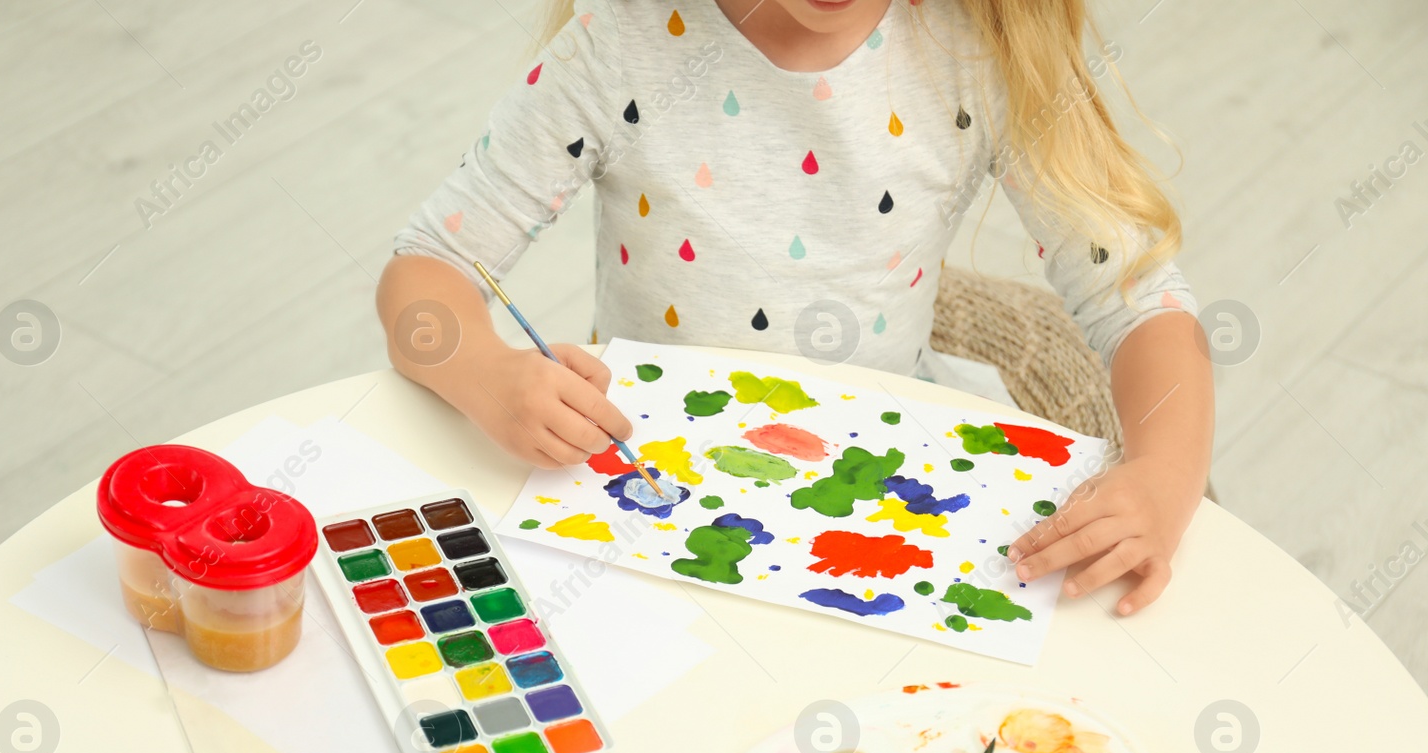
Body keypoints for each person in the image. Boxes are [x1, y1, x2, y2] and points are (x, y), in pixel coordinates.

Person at [378, 0, 1212, 615]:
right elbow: (428, 268)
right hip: (647, 487)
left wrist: (1168, 478)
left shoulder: (975, 50)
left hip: (887, 492)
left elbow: (1140, 297)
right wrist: (486, 370)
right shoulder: (620, 38)